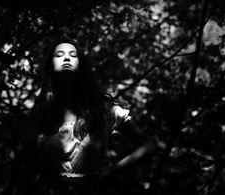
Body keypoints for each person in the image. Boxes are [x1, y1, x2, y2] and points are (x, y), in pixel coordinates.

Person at [15, 38, 157, 194]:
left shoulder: (104, 111)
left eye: (72, 55)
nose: (67, 57)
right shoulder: (38, 116)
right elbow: (27, 173)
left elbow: (149, 145)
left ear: (81, 67)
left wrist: (108, 173)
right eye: (60, 54)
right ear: (50, 67)